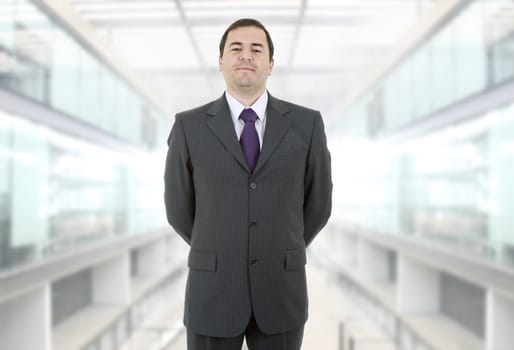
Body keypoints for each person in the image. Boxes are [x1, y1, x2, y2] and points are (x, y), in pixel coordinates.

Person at [164, 18, 332, 350]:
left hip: (281, 291)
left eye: (256, 49)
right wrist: (221, 245)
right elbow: (178, 209)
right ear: (221, 61)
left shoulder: (307, 124)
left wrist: (280, 244)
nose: (246, 55)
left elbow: (319, 205)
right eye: (235, 48)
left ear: (270, 64)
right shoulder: (189, 127)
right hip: (212, 291)